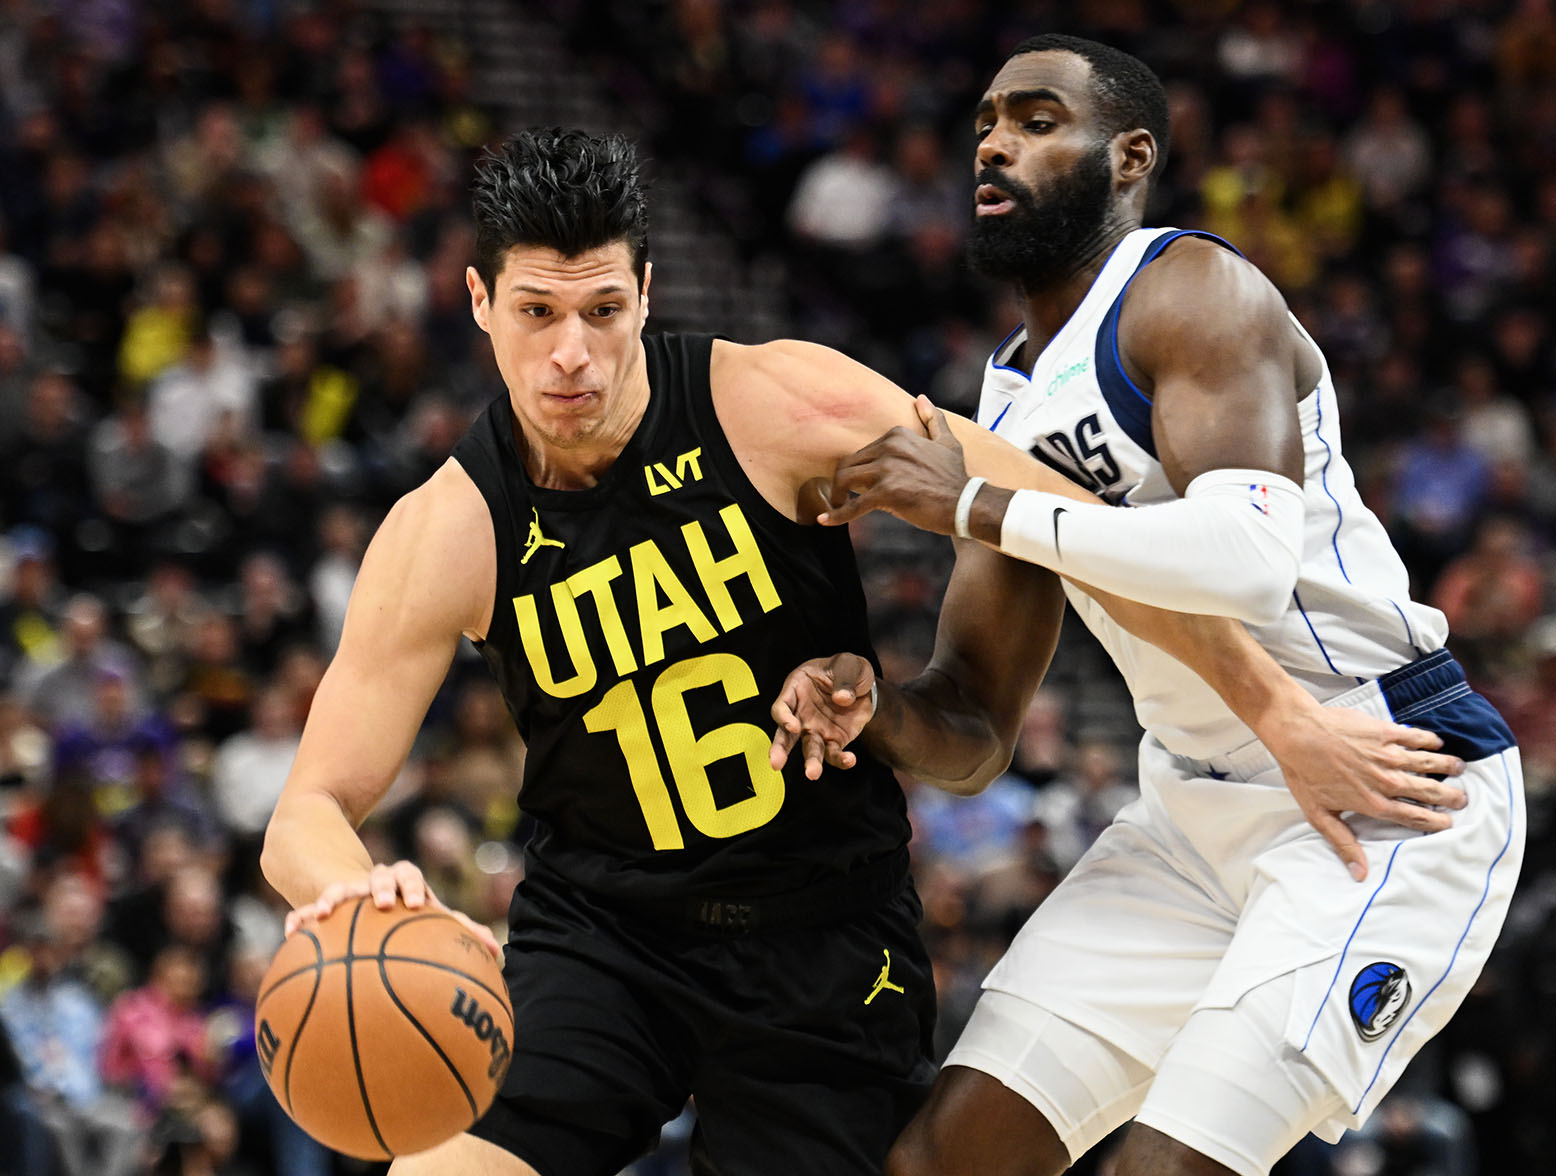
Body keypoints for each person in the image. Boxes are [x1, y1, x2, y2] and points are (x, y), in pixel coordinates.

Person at [261, 128, 1464, 1176]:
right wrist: (346, 885)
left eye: (600, 311)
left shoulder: (777, 405)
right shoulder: (445, 529)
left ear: (644, 288)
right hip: (605, 936)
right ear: (478, 302)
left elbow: (1074, 529)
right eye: (535, 314)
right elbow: (307, 807)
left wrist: (1278, 715)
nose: (568, 353)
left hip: (820, 937)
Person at [771, 34, 1525, 1176]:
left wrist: (979, 504)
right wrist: (867, 706)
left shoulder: (1193, 291)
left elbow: (1245, 559)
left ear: (1128, 158)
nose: (992, 145)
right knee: (943, 1158)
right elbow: (972, 727)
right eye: (984, 122)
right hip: (1186, 810)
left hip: (1380, 777)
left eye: (1034, 122)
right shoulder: (1009, 395)